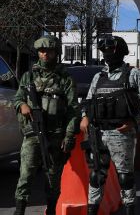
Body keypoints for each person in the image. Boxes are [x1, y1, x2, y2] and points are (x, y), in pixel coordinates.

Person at [80, 36, 140, 215]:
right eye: (104, 50)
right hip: (98, 133)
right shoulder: (99, 76)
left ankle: (129, 209)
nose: (107, 54)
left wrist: (134, 121)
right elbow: (89, 101)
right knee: (96, 175)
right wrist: (85, 117)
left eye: (110, 50)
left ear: (120, 51)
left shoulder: (133, 74)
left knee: (125, 177)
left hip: (121, 133)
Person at [13, 35, 80, 215]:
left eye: (49, 51)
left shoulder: (64, 78)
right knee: (25, 176)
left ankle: (51, 210)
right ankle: (19, 211)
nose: (45, 54)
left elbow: (74, 109)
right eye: (42, 51)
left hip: (56, 134)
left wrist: (69, 135)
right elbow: (18, 98)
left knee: (52, 178)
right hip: (33, 134)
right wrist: (23, 105)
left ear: (56, 53)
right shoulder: (29, 76)